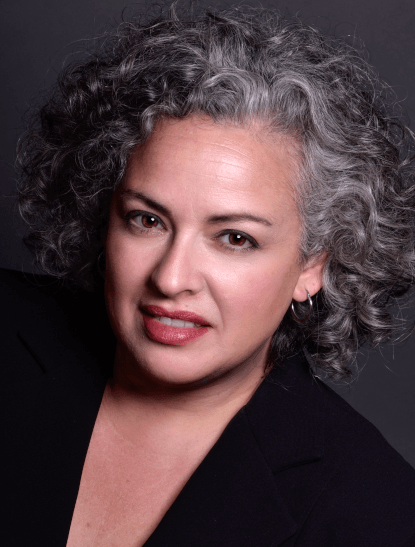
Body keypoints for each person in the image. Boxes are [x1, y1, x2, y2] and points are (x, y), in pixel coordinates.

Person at [2, 2, 415, 546]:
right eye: (147, 220)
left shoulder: (377, 513)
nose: (171, 279)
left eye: (235, 238)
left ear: (313, 264)